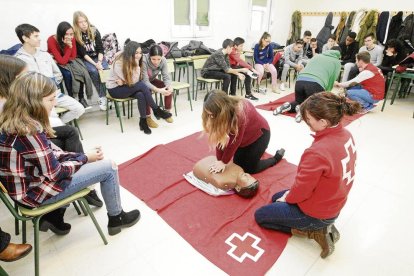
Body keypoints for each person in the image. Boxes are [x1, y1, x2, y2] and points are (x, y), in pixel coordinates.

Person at [0, 72, 140, 236]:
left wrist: (80, 158)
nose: (55, 103)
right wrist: (85, 158)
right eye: (51, 99)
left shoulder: (14, 122)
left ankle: (54, 217)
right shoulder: (29, 132)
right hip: (34, 194)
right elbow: (56, 173)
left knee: (78, 162)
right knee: (109, 167)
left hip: (28, 187)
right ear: (33, 101)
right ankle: (117, 218)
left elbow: (51, 155)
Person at [255, 92, 360, 259]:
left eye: (309, 120)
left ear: (323, 122)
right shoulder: (346, 134)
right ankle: (323, 225)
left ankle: (313, 231)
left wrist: (288, 198)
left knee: (260, 216)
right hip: (333, 202)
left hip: (317, 212)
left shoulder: (317, 153)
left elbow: (301, 190)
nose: (306, 123)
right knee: (275, 197)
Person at [0, 54, 103, 208]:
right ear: (10, 78)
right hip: (29, 189)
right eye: (23, 76)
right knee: (69, 136)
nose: (28, 79)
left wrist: (80, 157)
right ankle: (80, 189)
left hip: (23, 161)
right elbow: (52, 169)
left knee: (67, 134)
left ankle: (60, 210)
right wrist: (84, 158)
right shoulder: (22, 119)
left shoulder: (16, 102)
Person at [14, 23, 85, 124]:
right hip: (37, 99)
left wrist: (53, 86)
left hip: (55, 94)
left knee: (79, 109)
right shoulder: (18, 60)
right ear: (25, 38)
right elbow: (20, 83)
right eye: (36, 36)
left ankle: (55, 126)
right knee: (52, 116)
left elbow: (58, 74)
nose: (39, 39)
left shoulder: (45, 55)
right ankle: (55, 127)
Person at [202, 90, 285, 175]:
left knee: (249, 169)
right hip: (244, 138)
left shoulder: (239, 113)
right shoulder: (224, 109)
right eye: (208, 114)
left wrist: (223, 162)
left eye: (212, 114)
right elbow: (220, 137)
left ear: (221, 110)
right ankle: (255, 154)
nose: (210, 117)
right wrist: (219, 160)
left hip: (260, 135)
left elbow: (235, 141)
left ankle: (275, 159)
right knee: (237, 165)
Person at [106, 41, 172, 134]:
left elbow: (132, 80)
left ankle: (143, 122)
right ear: (130, 52)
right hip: (115, 89)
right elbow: (134, 81)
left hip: (126, 86)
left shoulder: (131, 59)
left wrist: (124, 81)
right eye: (136, 53)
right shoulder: (119, 62)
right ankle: (156, 110)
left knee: (141, 94)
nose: (139, 55)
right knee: (141, 85)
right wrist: (137, 65)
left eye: (140, 52)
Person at [273, 47, 342, 123]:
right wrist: (325, 93)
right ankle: (303, 112)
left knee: (299, 101)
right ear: (339, 54)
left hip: (300, 80)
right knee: (316, 105)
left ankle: (289, 105)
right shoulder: (336, 62)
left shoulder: (317, 56)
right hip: (316, 83)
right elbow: (332, 79)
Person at [47, 21, 93, 109]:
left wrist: (63, 56)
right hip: (54, 63)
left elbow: (73, 56)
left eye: (71, 34)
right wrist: (67, 49)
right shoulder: (51, 40)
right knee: (68, 74)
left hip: (65, 60)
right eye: (66, 34)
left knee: (81, 70)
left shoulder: (72, 38)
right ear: (60, 34)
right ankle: (72, 98)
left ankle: (81, 98)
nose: (70, 37)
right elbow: (62, 62)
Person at [73, 11, 109, 111]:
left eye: (85, 21)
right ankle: (103, 97)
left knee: (104, 70)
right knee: (93, 71)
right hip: (87, 59)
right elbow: (83, 54)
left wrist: (100, 62)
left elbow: (100, 49)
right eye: (80, 22)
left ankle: (105, 96)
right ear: (76, 24)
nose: (84, 24)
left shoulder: (94, 30)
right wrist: (95, 64)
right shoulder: (76, 35)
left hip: (99, 57)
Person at [193, 156, 259, 198]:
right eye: (250, 177)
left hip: (200, 166)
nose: (247, 175)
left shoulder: (223, 182)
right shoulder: (240, 170)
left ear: (238, 188)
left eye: (247, 179)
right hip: (210, 160)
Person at [141, 45, 175, 126]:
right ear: (149, 56)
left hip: (152, 80)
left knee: (167, 88)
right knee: (147, 91)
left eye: (158, 59)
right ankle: (148, 117)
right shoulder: (144, 60)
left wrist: (169, 86)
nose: (156, 62)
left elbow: (166, 76)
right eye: (153, 59)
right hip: (142, 82)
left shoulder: (163, 60)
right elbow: (145, 81)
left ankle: (166, 113)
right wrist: (158, 90)